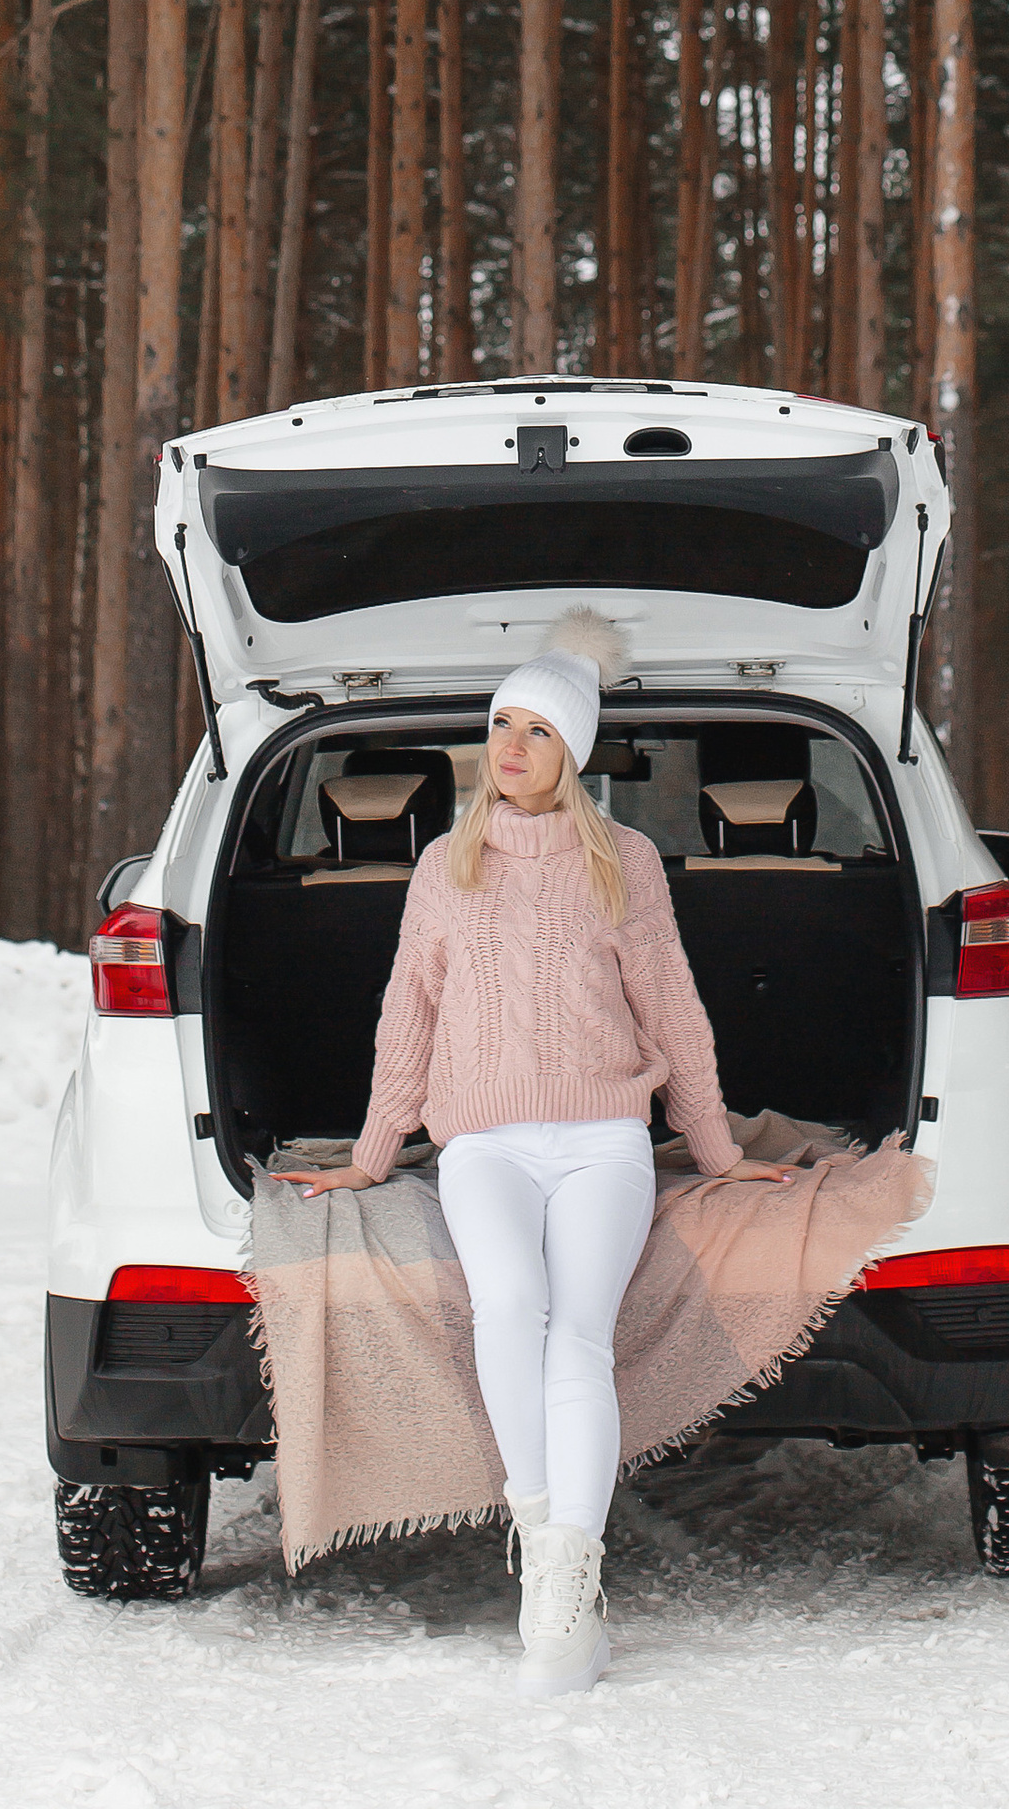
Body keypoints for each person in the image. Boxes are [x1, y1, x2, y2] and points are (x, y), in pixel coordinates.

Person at [274, 608, 787, 1692]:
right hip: (485, 1148)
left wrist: (712, 1147)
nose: (509, 747)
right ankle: (547, 1541)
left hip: (603, 1138)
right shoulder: (445, 867)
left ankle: (565, 1575)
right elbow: (405, 1017)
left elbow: (673, 1013)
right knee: (512, 1305)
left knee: (579, 1336)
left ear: (575, 751)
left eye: (536, 730)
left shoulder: (626, 863)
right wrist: (373, 1154)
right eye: (500, 724)